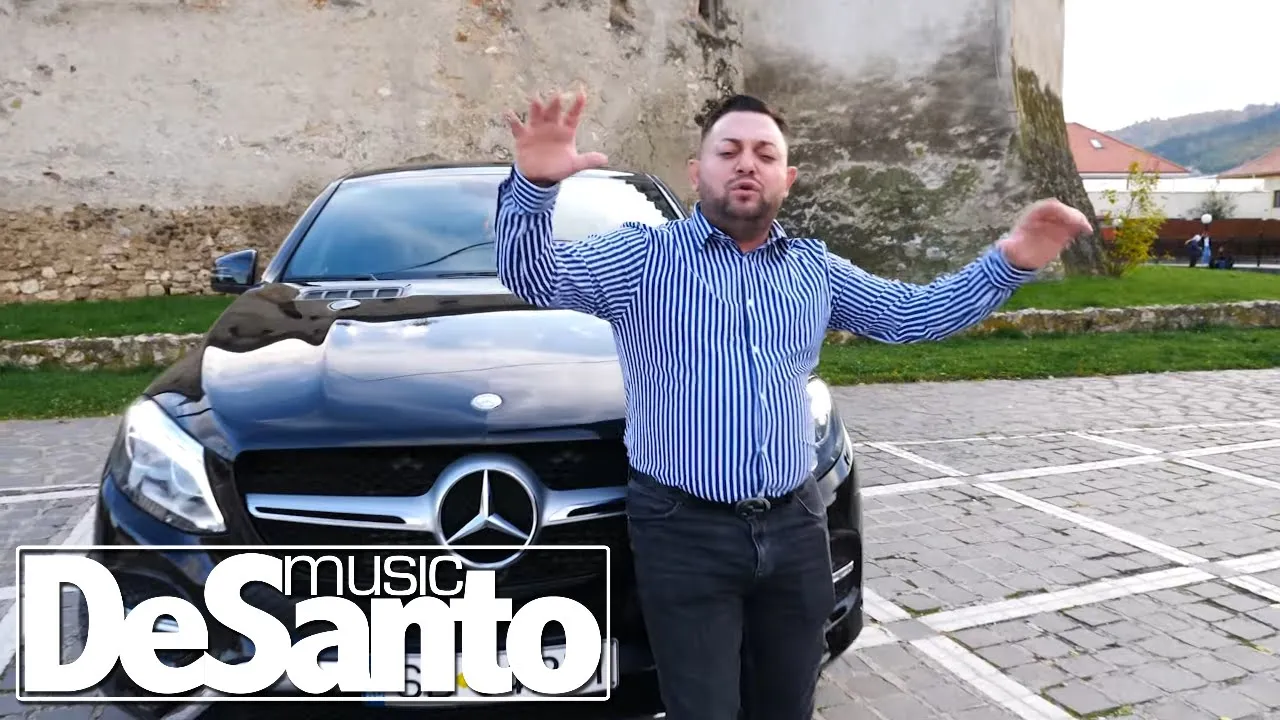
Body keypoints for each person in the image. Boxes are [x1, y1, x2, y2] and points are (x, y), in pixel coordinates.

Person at [493, 89, 1092, 720]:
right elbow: (536, 276)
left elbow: (911, 314)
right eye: (728, 151)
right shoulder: (644, 256)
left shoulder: (814, 270)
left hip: (795, 525)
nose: (746, 164)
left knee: (787, 705)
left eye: (764, 154)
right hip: (683, 530)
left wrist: (1010, 261)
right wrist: (535, 187)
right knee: (703, 710)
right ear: (697, 172)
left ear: (788, 178)